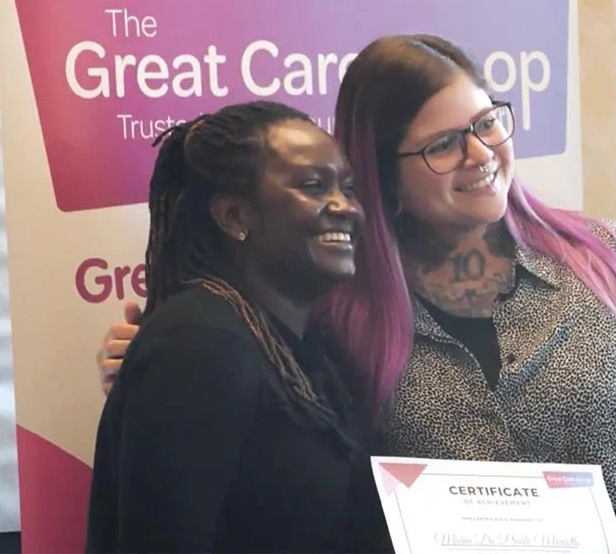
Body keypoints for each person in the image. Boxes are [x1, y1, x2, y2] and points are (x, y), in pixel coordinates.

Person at [97, 35, 616, 554]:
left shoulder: (613, 262)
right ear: (384, 175)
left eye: (487, 123)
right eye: (443, 144)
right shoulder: (334, 311)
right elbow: (249, 414)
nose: (479, 153)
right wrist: (141, 360)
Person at [86, 101, 392, 553]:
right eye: (313, 186)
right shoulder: (198, 343)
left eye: (348, 187)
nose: (344, 207)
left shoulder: (297, 346)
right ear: (234, 217)